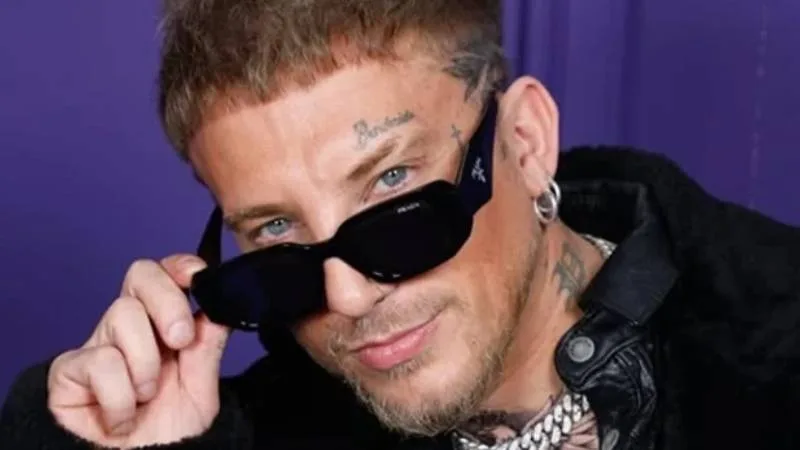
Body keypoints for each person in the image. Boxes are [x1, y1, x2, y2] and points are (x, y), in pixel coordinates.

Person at [3, 0, 800, 449]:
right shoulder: (257, 430)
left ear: (524, 144)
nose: (347, 297)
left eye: (392, 189)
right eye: (277, 234)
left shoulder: (769, 362)